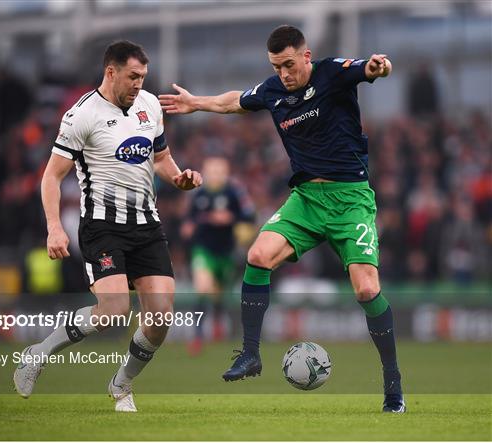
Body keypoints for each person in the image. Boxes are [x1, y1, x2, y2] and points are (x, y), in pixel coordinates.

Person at [159, 25, 405, 413]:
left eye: (289, 64)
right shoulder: (273, 91)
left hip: (350, 199)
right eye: (277, 67)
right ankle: (251, 354)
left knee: (365, 290)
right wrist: (196, 103)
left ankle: (393, 386)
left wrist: (380, 66)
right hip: (306, 199)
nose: (284, 74)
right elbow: (234, 102)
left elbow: (372, 70)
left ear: (305, 56)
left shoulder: (332, 73)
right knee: (257, 255)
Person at [13, 41, 202, 413]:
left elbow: (160, 157)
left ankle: (121, 384)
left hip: (147, 224)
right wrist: (54, 226)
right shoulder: (82, 115)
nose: (139, 84)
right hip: (103, 226)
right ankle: (39, 353)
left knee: (161, 317)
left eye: (143, 77)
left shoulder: (149, 105)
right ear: (111, 72)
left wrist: (179, 178)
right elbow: (51, 177)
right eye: (133, 76)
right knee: (115, 309)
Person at [181, 156, 255, 355]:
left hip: (227, 251)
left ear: (226, 173)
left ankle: (220, 327)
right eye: (211, 171)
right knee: (203, 288)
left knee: (219, 295)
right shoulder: (198, 194)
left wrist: (233, 220)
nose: (215, 175)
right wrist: (192, 225)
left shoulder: (235, 192)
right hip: (203, 249)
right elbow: (188, 221)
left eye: (219, 171)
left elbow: (249, 216)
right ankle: (197, 337)